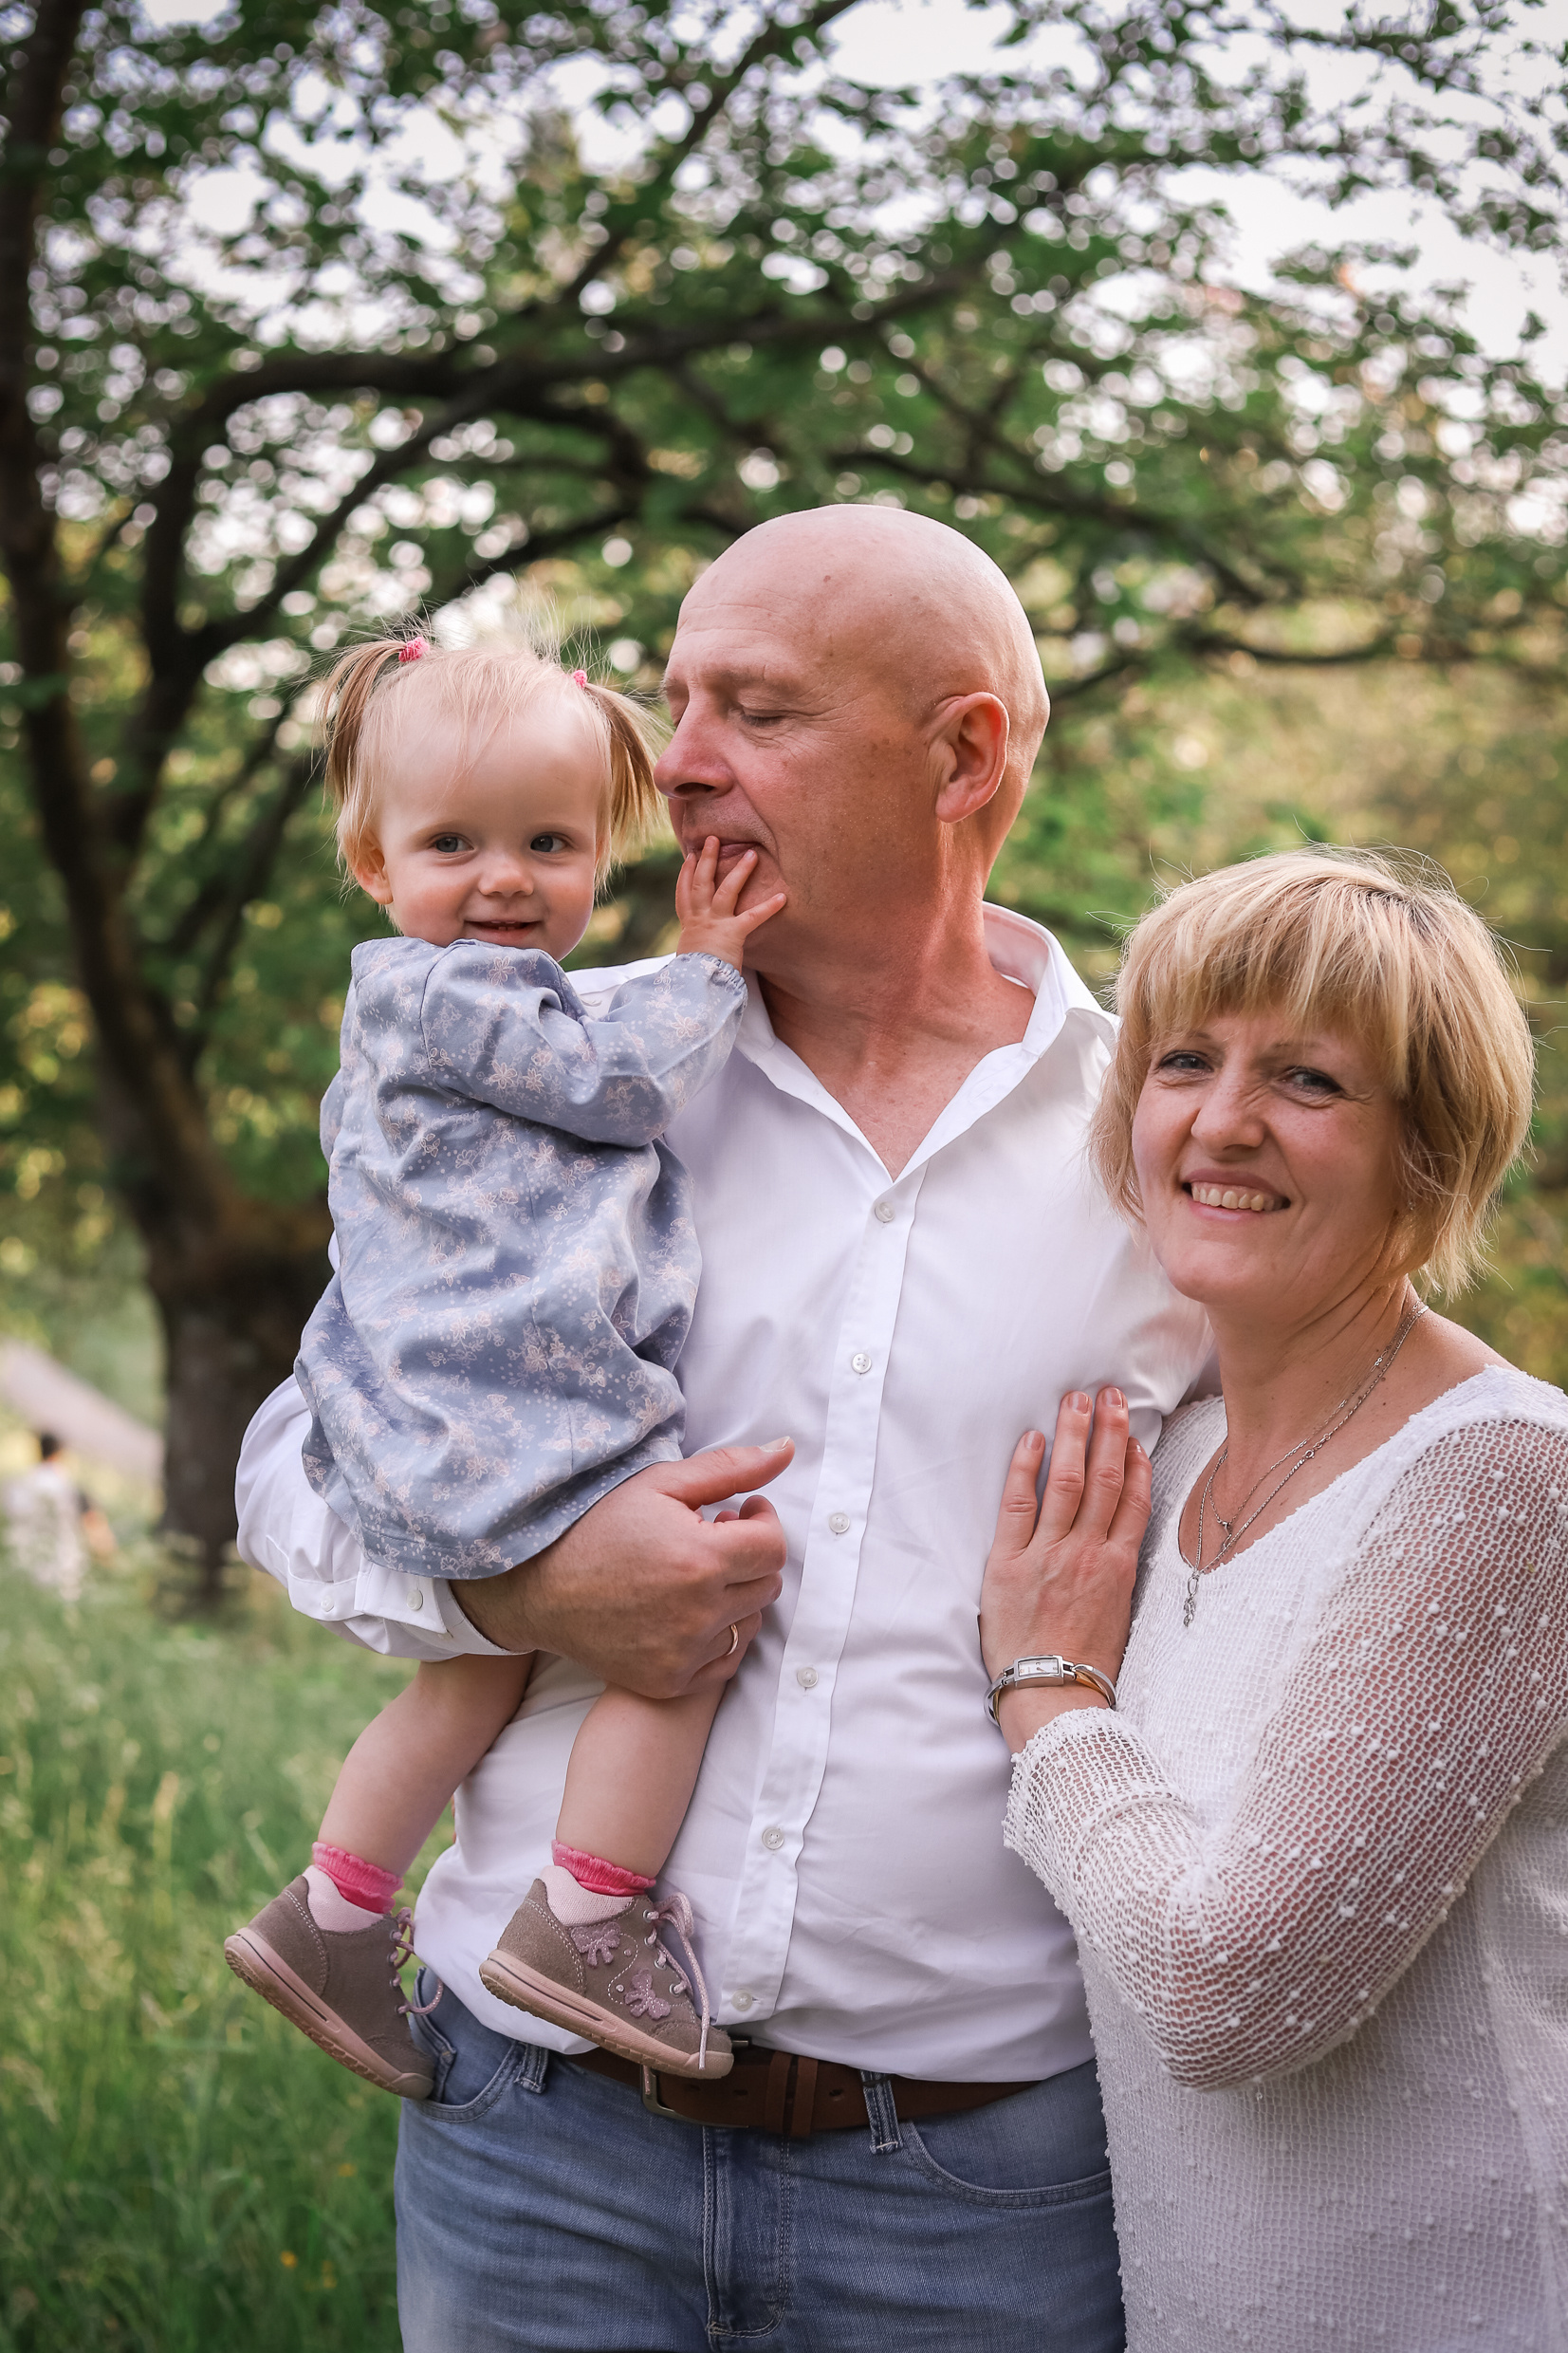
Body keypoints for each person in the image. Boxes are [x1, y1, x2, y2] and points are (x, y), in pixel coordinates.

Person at [237, 505, 1211, 2353]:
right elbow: (293, 1470)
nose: (672, 757)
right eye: (674, 698)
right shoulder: (539, 1067)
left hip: (972, 2190)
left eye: (749, 707)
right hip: (532, 2151)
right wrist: (527, 1583)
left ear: (962, 752)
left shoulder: (1159, 1146)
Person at [980, 849, 1566, 2351]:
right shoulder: (1163, 1460)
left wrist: (1045, 1693)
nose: (1219, 1121)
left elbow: (1228, 1990)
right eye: (1183, 1059)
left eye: (1305, 1079)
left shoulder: (1506, 1479)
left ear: (1427, 1149)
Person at [225, 629, 787, 2099]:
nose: (502, 880)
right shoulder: (451, 998)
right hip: (511, 1410)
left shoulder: (474, 1005)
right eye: (452, 842)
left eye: (549, 842)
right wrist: (709, 962)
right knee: (688, 1621)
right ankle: (588, 1916)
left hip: (441, 1419)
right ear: (371, 859)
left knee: (469, 1681)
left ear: (601, 850)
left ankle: (336, 1911)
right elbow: (620, 1091)